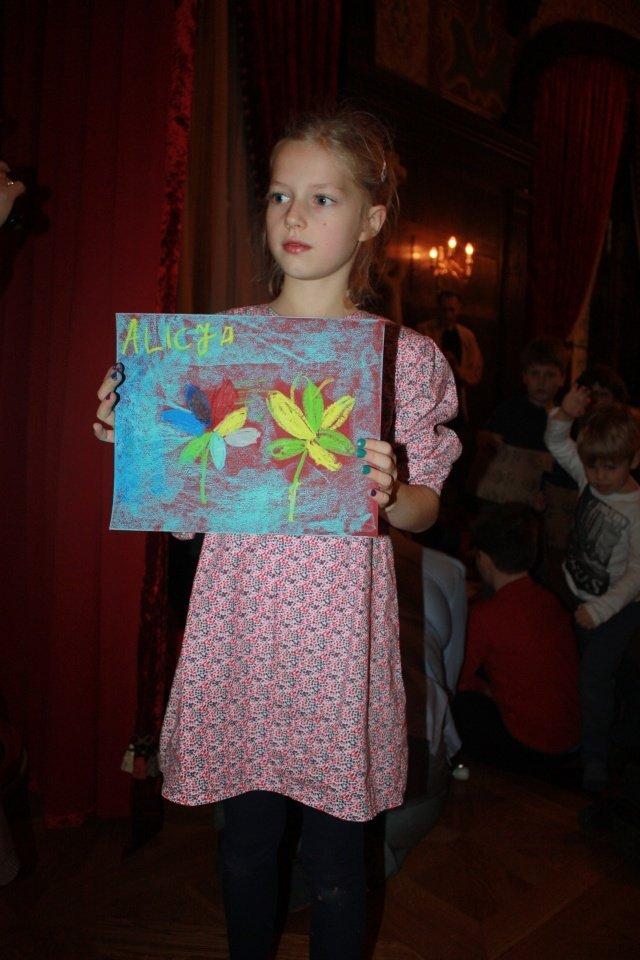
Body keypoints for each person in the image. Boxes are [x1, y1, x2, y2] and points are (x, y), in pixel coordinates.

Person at [93, 110, 460, 959]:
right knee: (244, 845)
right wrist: (134, 439)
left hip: (337, 643)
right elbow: (186, 500)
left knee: (337, 864)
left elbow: (426, 508)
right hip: (243, 631)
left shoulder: (400, 357)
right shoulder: (218, 343)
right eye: (279, 195)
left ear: (370, 219)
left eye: (322, 198)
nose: (293, 215)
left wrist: (394, 490)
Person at [545, 387, 640, 792]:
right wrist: (564, 415)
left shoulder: (636, 509)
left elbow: (636, 574)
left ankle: (596, 757)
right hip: (577, 590)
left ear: (634, 460)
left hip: (617, 605)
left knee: (595, 678)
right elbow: (556, 442)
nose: (599, 476)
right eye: (593, 467)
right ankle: (577, 734)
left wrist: (600, 610)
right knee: (575, 667)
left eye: (611, 468)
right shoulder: (589, 478)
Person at [454, 505, 580, 770]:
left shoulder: (486, 616)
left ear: (484, 559)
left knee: (458, 703)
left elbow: (457, 678)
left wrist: (484, 689)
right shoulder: (549, 600)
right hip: (570, 739)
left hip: (531, 746)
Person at [480, 337, 566, 452]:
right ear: (524, 376)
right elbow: (485, 441)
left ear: (562, 379)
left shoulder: (566, 417)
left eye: (549, 375)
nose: (541, 381)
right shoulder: (507, 412)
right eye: (535, 374)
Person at [418, 290, 482, 423]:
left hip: (458, 397)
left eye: (451, 310)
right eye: (444, 310)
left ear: (459, 309)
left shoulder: (467, 336)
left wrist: (458, 370)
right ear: (438, 309)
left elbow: (476, 370)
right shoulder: (424, 331)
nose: (447, 315)